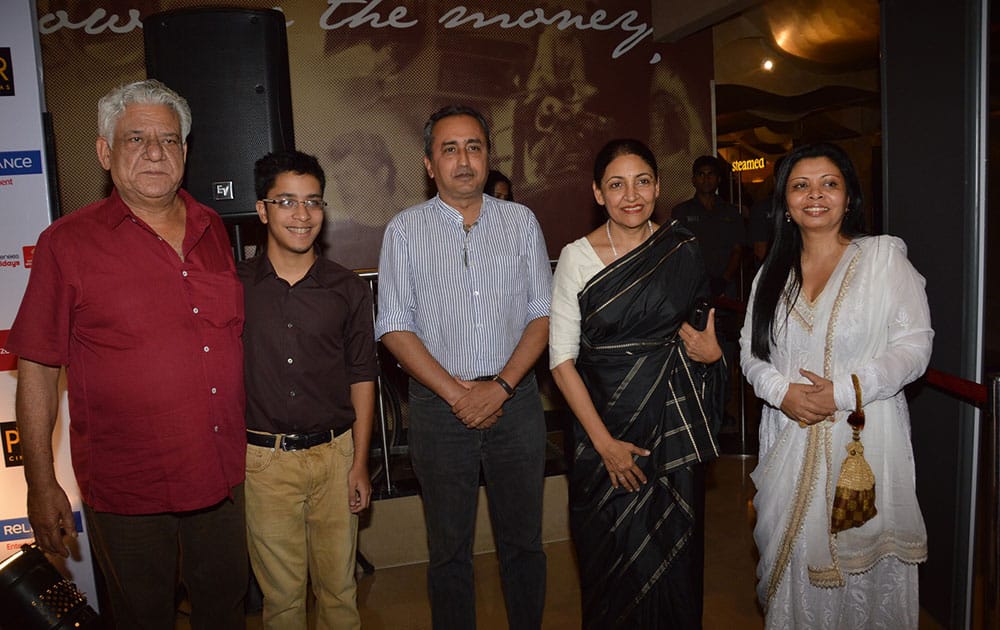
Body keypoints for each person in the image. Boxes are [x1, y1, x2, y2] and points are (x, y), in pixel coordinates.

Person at [6, 79, 247, 628]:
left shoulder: (213, 229)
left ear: (187, 151)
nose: (156, 152)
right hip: (129, 486)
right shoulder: (66, 244)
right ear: (104, 151)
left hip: (222, 475)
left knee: (226, 610)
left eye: (170, 139)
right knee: (144, 617)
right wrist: (42, 484)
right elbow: (38, 371)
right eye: (136, 138)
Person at [740, 142, 931, 628]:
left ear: (849, 197)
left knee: (864, 580)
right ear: (785, 203)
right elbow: (749, 352)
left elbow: (915, 345)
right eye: (800, 186)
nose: (815, 195)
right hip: (787, 438)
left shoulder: (882, 259)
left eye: (830, 183)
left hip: (863, 442)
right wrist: (782, 393)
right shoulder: (771, 273)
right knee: (791, 575)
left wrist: (842, 392)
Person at [375, 105, 552, 630]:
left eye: (473, 146)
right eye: (449, 149)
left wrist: (499, 387)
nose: (463, 159)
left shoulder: (521, 223)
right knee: (448, 550)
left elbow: (543, 314)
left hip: (515, 402)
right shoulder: (404, 231)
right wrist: (458, 394)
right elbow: (393, 326)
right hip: (437, 407)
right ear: (429, 164)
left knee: (524, 543)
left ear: (488, 155)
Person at [548, 138, 726, 628]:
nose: (632, 195)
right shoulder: (576, 257)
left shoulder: (682, 250)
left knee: (674, 563)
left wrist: (714, 356)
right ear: (598, 194)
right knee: (611, 562)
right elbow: (561, 361)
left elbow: (701, 339)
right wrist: (604, 445)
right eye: (617, 184)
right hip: (600, 430)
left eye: (642, 181)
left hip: (671, 432)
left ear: (658, 187)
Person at [239, 150, 377, 629]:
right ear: (262, 210)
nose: (302, 215)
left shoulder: (349, 288)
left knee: (340, 594)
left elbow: (363, 375)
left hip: (336, 458)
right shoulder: (233, 286)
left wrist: (359, 463)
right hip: (263, 463)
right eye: (286, 202)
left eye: (313, 202)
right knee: (282, 602)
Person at [670, 155, 746, 298]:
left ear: (718, 179)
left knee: (726, 320)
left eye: (711, 174)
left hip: (725, 288)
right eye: (701, 174)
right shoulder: (681, 212)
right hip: (692, 288)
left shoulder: (731, 212)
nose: (706, 179)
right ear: (694, 180)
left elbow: (738, 250)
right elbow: (677, 252)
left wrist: (724, 280)